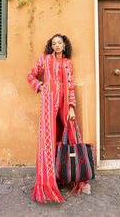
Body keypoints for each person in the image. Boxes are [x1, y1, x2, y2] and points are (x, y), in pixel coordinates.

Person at [27, 33, 90, 203]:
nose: (56, 45)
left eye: (59, 43)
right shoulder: (44, 60)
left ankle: (77, 177)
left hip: (64, 103)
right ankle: (48, 181)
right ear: (51, 46)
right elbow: (31, 76)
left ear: (64, 45)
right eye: (54, 43)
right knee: (48, 139)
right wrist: (41, 86)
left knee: (71, 136)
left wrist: (71, 107)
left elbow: (70, 87)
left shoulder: (68, 63)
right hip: (49, 102)